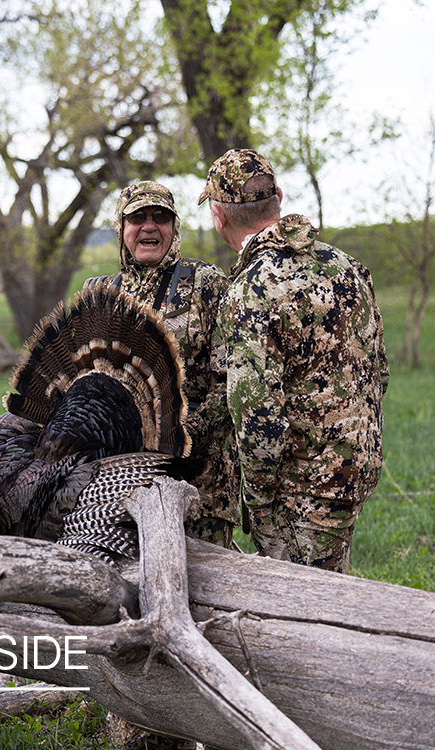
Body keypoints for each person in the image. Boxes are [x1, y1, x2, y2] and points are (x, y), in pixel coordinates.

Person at [199, 148, 388, 574]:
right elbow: (379, 368)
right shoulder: (347, 266)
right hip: (358, 461)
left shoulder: (250, 291)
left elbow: (257, 416)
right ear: (278, 196)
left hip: (302, 484)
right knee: (330, 583)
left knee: (307, 606)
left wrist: (260, 503)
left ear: (218, 215)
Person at [88, 180, 239, 548]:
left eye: (161, 217)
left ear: (174, 227)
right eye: (137, 217)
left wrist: (177, 432)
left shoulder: (206, 284)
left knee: (208, 586)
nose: (149, 226)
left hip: (199, 475)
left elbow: (233, 379)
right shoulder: (99, 292)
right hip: (118, 478)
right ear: (121, 229)